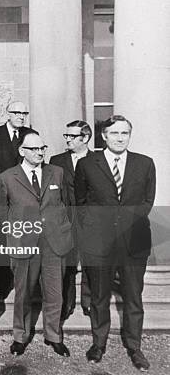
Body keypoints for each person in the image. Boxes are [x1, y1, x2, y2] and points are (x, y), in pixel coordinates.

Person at [75, 115, 156, 371]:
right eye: (115, 133)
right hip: (99, 243)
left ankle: (135, 347)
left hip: (134, 241)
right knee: (99, 297)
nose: (120, 138)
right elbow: (80, 203)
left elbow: (147, 202)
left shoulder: (144, 163)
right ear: (104, 136)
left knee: (133, 297)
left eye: (125, 133)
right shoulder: (88, 164)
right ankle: (98, 344)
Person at [0, 132, 72, 358]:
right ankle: (20, 337)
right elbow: (1, 212)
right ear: (22, 151)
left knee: (54, 292)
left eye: (42, 148)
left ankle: (53, 336)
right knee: (23, 294)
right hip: (24, 243)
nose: (40, 153)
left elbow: (66, 204)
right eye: (34, 149)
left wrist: (63, 230)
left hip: (53, 243)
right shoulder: (8, 177)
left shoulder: (56, 173)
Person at [0, 101, 36, 300]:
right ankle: (4, 284)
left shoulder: (30, 134)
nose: (21, 116)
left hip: (24, 195)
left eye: (24, 113)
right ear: (8, 113)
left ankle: (27, 284)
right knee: (3, 241)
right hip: (1, 194)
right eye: (17, 112)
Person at [49, 120, 94, 320]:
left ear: (85, 138)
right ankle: (66, 305)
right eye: (66, 136)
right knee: (66, 265)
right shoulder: (56, 160)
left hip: (90, 221)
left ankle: (89, 303)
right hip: (65, 221)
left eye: (72, 136)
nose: (67, 139)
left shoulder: (98, 160)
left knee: (90, 263)